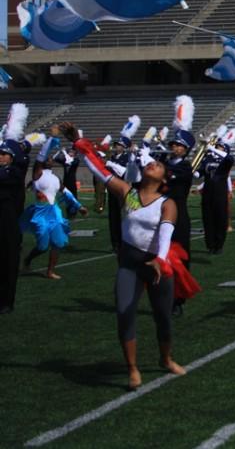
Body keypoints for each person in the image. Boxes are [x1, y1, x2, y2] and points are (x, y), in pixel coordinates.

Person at [65, 121, 197, 391]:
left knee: (163, 317)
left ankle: (165, 358)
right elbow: (100, 171)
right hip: (130, 263)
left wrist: (160, 260)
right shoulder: (128, 193)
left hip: (158, 263)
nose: (153, 164)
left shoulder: (166, 203)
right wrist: (79, 143)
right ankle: (132, 368)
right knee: (125, 313)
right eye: (151, 163)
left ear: (163, 178)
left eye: (159, 165)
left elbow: (165, 235)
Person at [21, 147, 88, 279]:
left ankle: (50, 271)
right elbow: (39, 160)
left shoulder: (55, 177)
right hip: (41, 214)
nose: (50, 160)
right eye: (47, 158)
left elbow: (66, 192)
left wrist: (79, 206)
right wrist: (50, 141)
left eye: (51, 158)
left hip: (54, 213)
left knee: (58, 243)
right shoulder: (37, 174)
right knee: (43, 247)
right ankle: (27, 260)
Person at [165, 96, 196, 315]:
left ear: (185, 149)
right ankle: (164, 295)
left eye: (178, 145)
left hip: (178, 217)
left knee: (180, 257)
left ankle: (178, 298)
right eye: (173, 144)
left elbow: (168, 176)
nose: (174, 147)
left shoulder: (185, 167)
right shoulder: (162, 164)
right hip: (160, 217)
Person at [0, 103, 29, 314]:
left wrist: (11, 136)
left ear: (12, 157)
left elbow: (19, 161)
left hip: (9, 224)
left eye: (4, 154)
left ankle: (6, 301)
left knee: (9, 261)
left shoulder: (14, 173)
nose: (1, 156)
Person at [199, 126, 235, 254]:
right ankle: (210, 245)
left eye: (220, 147)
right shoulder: (207, 158)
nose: (217, 148)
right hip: (208, 192)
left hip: (220, 192)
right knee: (207, 218)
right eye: (217, 146)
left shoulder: (225, 160)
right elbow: (200, 172)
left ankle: (219, 245)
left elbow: (230, 159)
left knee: (220, 218)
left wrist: (210, 148)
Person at [105, 116, 141, 253]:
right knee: (113, 218)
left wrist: (111, 164)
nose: (116, 147)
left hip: (125, 190)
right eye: (116, 145)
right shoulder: (113, 158)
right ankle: (115, 243)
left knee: (127, 217)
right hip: (113, 191)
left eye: (119, 145)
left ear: (124, 147)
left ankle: (127, 242)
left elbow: (125, 172)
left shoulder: (127, 158)